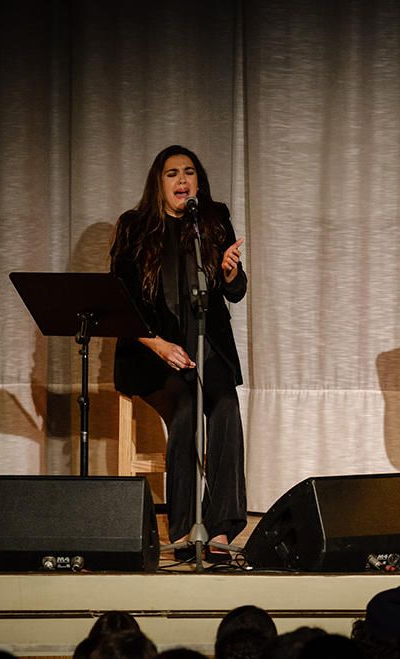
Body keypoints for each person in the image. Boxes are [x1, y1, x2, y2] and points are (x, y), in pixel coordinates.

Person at [110, 145, 247, 563]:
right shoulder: (134, 227)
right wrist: (159, 345)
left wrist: (230, 273)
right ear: (159, 182)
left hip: (208, 348)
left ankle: (222, 528)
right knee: (186, 409)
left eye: (189, 173)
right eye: (172, 174)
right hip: (152, 353)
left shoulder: (212, 220)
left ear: (198, 183)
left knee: (225, 407)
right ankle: (186, 529)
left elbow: (235, 292)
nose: (182, 181)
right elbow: (121, 302)